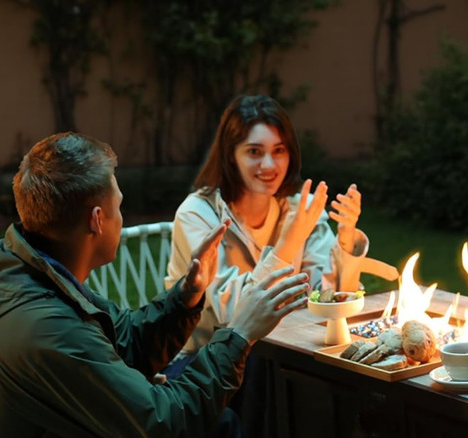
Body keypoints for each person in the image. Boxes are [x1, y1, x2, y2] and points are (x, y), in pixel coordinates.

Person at [0, 132, 309, 438]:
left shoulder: (28, 272)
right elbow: (163, 424)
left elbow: (123, 339)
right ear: (97, 219)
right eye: (119, 205)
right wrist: (239, 332)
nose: (121, 216)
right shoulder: (44, 326)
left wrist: (186, 295)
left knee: (221, 422)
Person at [163, 94, 397, 436]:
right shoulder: (199, 214)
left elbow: (327, 300)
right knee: (280, 372)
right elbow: (234, 316)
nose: (269, 164)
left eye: (279, 150)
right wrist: (290, 241)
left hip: (284, 354)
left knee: (341, 373)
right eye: (254, 151)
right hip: (201, 362)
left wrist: (346, 241)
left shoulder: (296, 207)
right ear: (231, 154)